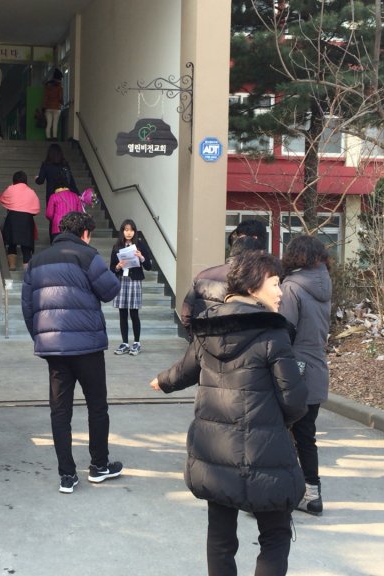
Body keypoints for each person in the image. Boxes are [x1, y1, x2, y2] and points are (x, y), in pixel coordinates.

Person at [151, 251, 307, 576]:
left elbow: (183, 371)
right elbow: (294, 400)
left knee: (221, 537)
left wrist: (162, 381)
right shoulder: (273, 332)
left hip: (214, 449)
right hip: (265, 450)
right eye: (275, 284)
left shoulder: (207, 327)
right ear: (253, 286)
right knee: (275, 534)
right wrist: (279, 423)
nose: (280, 292)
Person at [21, 211, 123, 494]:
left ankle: (67, 475)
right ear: (85, 233)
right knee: (97, 406)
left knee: (60, 411)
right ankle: (99, 466)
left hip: (54, 350)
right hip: (87, 346)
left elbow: (27, 306)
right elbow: (110, 291)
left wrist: (42, 338)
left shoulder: (37, 260)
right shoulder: (88, 255)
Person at [278, 235, 332, 517]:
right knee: (305, 434)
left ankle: (281, 494)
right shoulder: (324, 283)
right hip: (317, 368)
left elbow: (285, 331)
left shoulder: (291, 287)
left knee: (281, 433)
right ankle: (312, 494)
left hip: (294, 370)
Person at [179, 236, 265, 338]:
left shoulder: (202, 275)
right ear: (252, 256)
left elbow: (185, 314)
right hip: (238, 341)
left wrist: (195, 336)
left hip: (203, 340)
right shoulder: (253, 280)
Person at [109, 219, 153, 356]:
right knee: (122, 313)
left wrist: (141, 257)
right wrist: (118, 266)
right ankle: (125, 343)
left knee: (134, 313)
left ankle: (137, 342)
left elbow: (149, 266)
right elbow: (111, 268)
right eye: (126, 230)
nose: (129, 233)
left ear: (135, 231)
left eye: (131, 230)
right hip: (121, 281)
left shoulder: (140, 245)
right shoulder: (117, 246)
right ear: (122, 231)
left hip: (134, 281)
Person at [0, 170, 40, 271]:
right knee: (26, 246)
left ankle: (12, 265)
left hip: (12, 218)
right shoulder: (31, 191)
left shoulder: (10, 188)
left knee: (11, 243)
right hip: (27, 219)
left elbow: (2, 199)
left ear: (14, 180)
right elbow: (36, 209)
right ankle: (27, 271)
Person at [42, 69, 64, 140]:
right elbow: (60, 98)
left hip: (48, 107)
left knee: (49, 124)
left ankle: (48, 137)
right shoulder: (59, 87)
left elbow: (45, 97)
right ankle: (54, 137)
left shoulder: (48, 86)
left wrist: (43, 107)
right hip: (56, 107)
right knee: (55, 123)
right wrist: (62, 102)